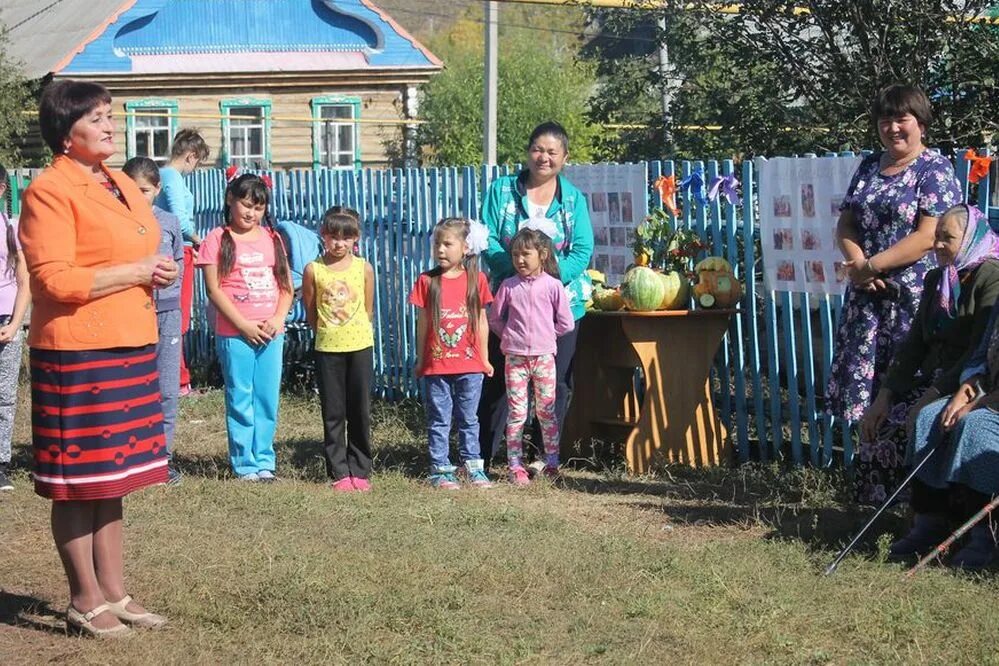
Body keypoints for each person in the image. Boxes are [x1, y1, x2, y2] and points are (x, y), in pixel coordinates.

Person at [19, 79, 178, 636]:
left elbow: (140, 243)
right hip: (77, 350)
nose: (112, 126)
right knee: (78, 481)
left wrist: (157, 266)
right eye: (98, 119)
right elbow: (53, 279)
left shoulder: (116, 182)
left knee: (116, 477)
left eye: (112, 115)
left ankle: (115, 591)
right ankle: (83, 599)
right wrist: (138, 271)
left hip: (129, 340)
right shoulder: (48, 191)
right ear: (67, 134)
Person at [826, 84, 963, 427]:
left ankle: (905, 477)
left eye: (902, 119)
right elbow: (846, 223)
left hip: (912, 302)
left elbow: (929, 236)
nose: (893, 128)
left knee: (907, 393)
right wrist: (859, 268)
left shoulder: (935, 169)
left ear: (921, 123)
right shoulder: (870, 166)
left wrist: (871, 266)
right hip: (867, 300)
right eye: (885, 120)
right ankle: (867, 474)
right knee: (867, 401)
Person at [857, 205, 999, 506]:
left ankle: (935, 514)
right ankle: (886, 513)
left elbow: (978, 352)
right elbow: (914, 344)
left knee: (923, 418)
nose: (937, 245)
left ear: (971, 238)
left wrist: (931, 396)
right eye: (936, 236)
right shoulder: (939, 278)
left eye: (947, 238)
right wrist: (885, 394)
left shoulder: (990, 277)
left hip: (965, 381)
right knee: (881, 421)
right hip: (933, 378)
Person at [478, 121, 594, 473]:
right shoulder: (502, 191)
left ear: (564, 157)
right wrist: (514, 271)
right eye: (538, 150)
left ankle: (543, 456)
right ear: (528, 152)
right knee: (499, 383)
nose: (544, 157)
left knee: (555, 383)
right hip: (509, 302)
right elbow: (488, 238)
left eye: (552, 152)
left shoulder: (573, 199)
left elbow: (583, 247)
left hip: (561, 307)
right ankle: (484, 454)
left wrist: (551, 280)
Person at [197, 172, 293, 482]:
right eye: (245, 204)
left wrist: (278, 319)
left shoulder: (273, 238)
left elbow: (286, 287)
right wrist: (242, 325)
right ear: (230, 200)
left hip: (270, 333)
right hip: (235, 334)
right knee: (240, 396)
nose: (251, 213)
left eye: (258, 207)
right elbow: (214, 290)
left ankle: (264, 459)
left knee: (266, 397)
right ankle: (244, 463)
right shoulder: (216, 239)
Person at [408, 218, 494, 490]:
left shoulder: (476, 281)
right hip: (437, 367)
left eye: (448, 244)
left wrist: (484, 358)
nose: (441, 250)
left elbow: (481, 322)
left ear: (466, 248)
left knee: (469, 418)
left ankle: (473, 467)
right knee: (439, 419)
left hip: (470, 366)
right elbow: (422, 323)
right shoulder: (427, 281)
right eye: (437, 244)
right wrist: (422, 359)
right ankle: (441, 469)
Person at [489, 223, 574, 484]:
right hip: (514, 359)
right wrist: (509, 338)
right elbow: (495, 318)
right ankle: (515, 464)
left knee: (546, 411)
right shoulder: (508, 286)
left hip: (544, 358)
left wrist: (546, 337)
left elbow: (566, 323)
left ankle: (551, 461)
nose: (520, 260)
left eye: (526, 254)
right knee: (517, 412)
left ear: (543, 255)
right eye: (515, 254)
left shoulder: (553, 286)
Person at [302, 207, 376, 492]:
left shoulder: (364, 267)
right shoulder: (314, 269)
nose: (339, 244)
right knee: (333, 411)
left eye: (346, 238)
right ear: (324, 236)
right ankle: (339, 470)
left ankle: (360, 467)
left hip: (359, 346)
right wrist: (323, 329)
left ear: (355, 239)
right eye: (333, 237)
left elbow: (368, 308)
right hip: (327, 348)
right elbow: (311, 309)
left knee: (359, 409)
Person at [123, 157, 185, 486]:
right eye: (131, 190)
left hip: (168, 314)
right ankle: (132, 458)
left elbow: (179, 264)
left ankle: (162, 458)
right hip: (131, 314)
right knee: (132, 388)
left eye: (144, 190)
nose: (138, 196)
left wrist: (170, 286)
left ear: (157, 189)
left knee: (167, 390)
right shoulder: (116, 224)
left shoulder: (170, 222)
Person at [155, 129, 210, 396]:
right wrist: (199, 240)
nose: (195, 168)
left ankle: (178, 378)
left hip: (176, 247)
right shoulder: (172, 177)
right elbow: (179, 217)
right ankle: (178, 381)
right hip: (179, 249)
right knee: (178, 316)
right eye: (197, 162)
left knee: (175, 314)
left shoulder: (165, 176)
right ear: (191, 156)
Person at [0, 165, 29, 491]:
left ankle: (2, 463)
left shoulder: (11, 227)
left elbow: (25, 279)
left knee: (5, 399)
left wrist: (15, 322)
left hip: (7, 320)